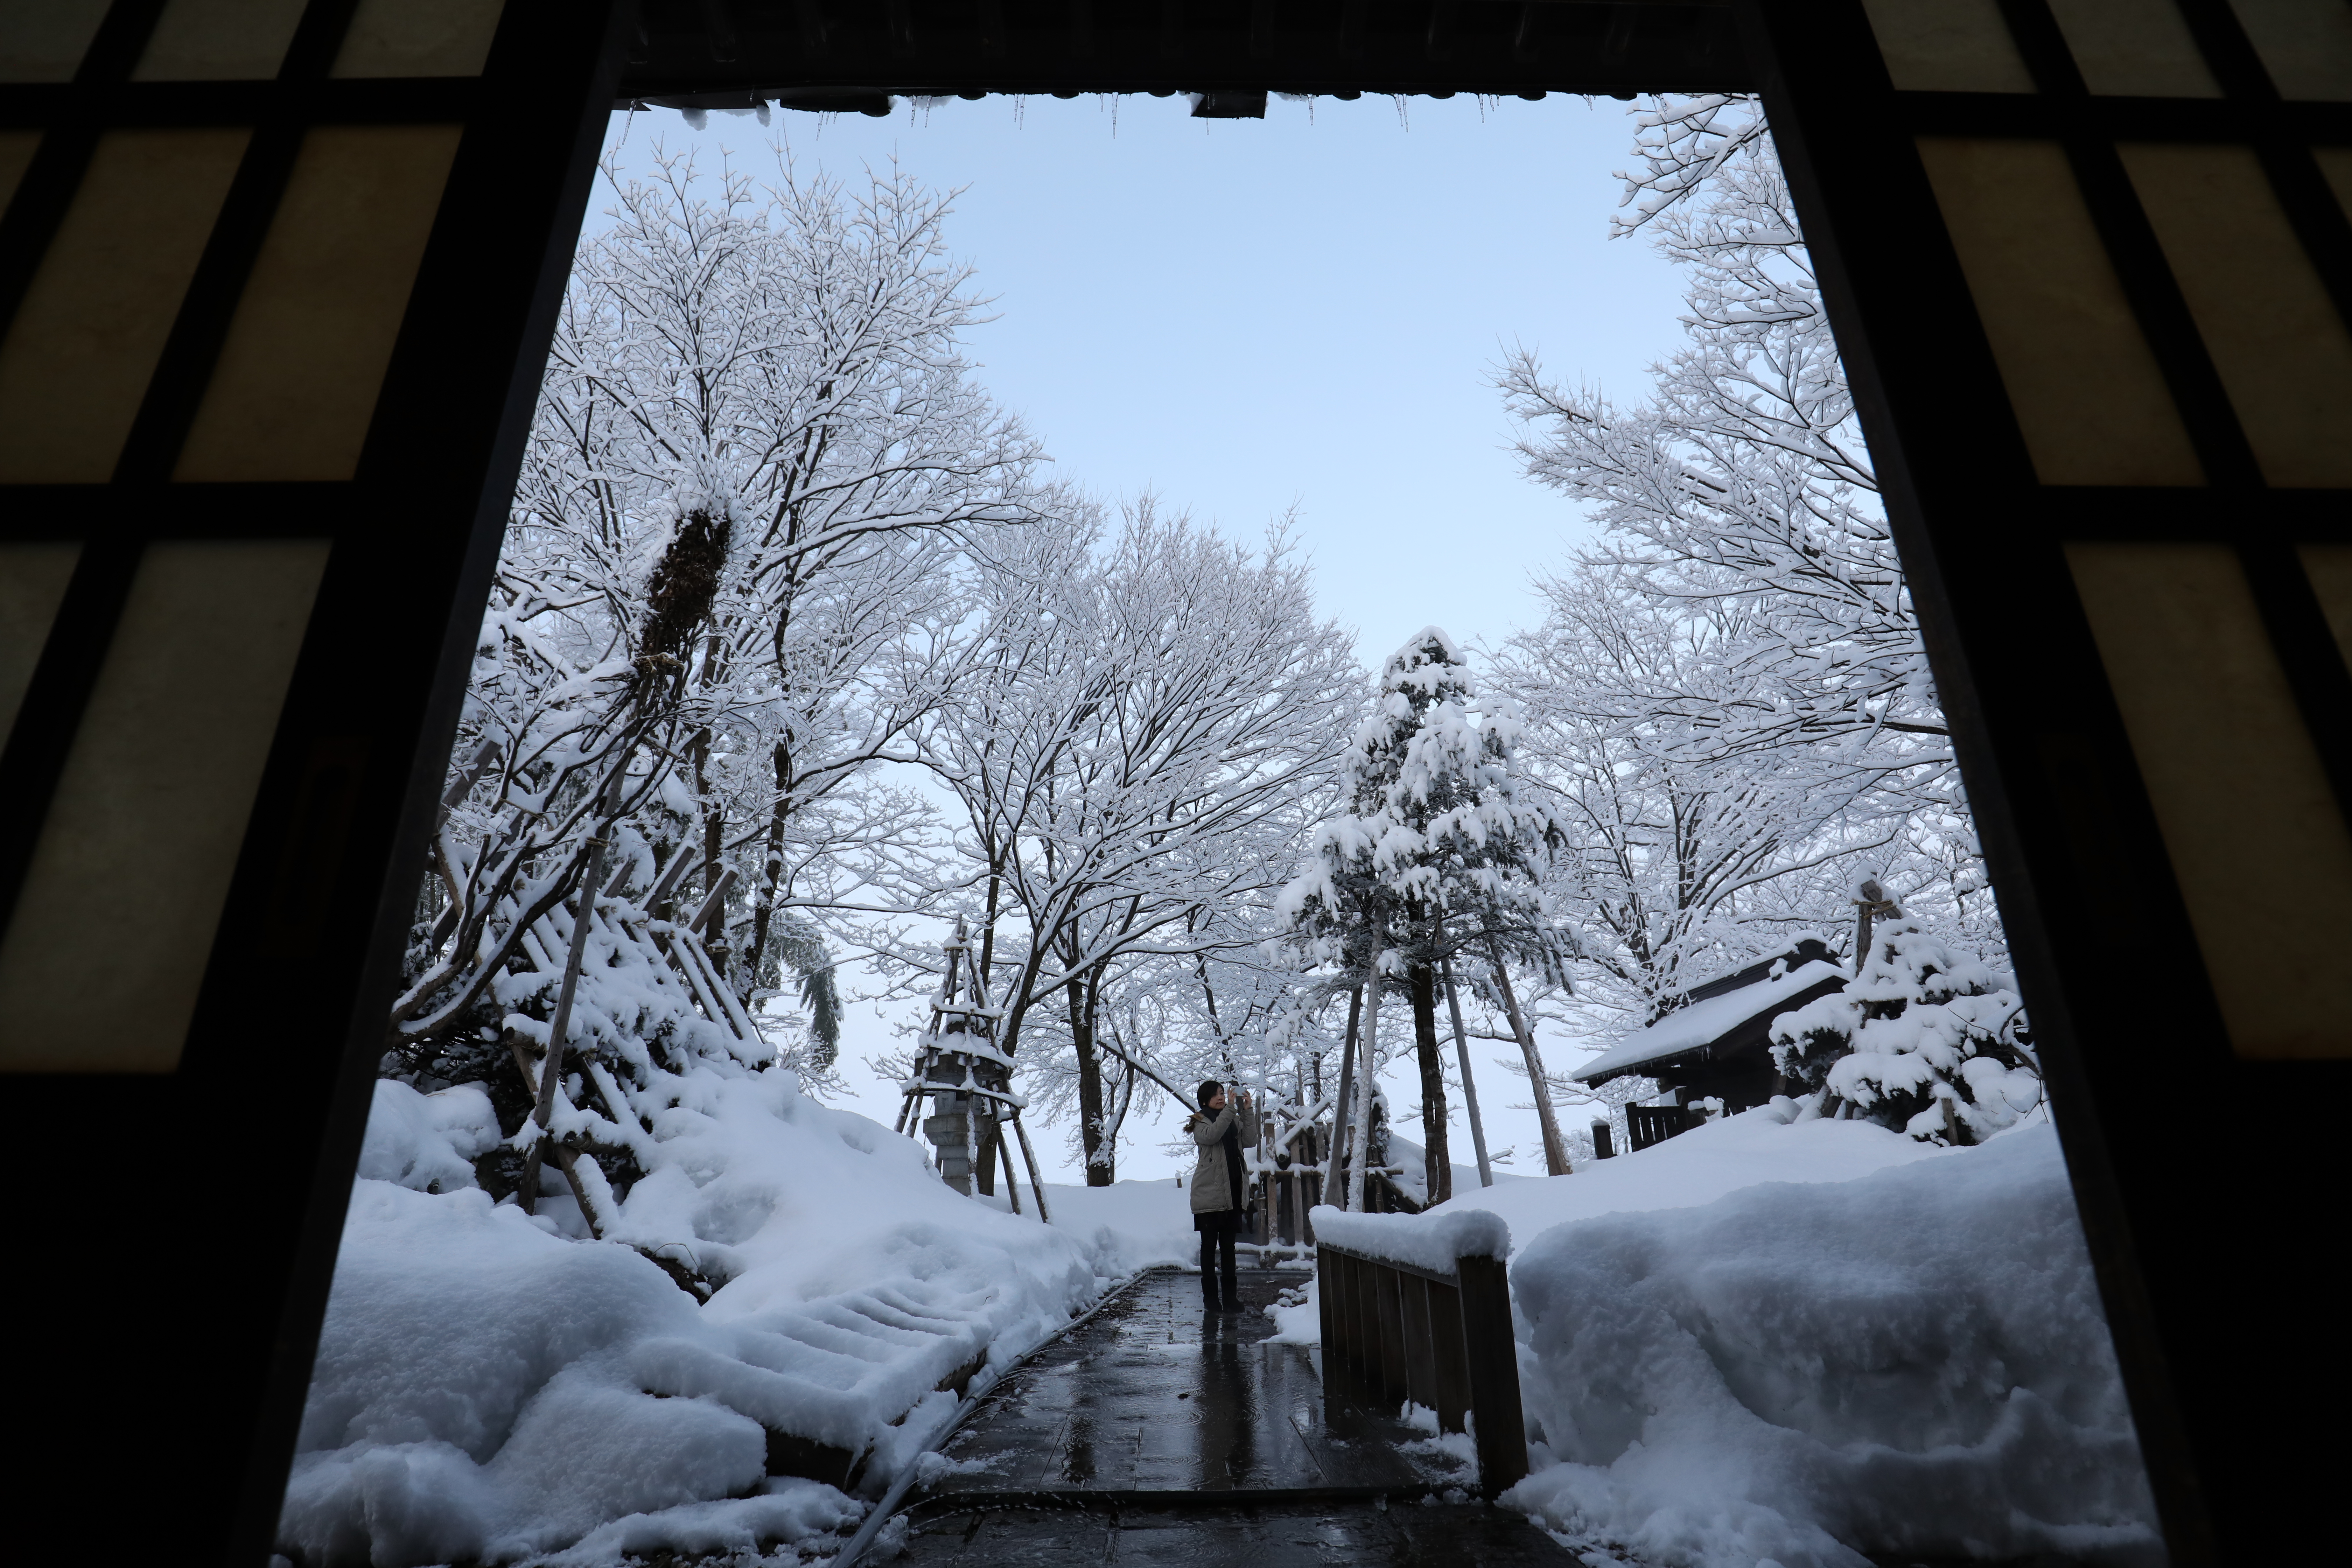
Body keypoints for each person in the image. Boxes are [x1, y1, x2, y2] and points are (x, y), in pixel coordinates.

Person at [1186, 1078, 1256, 1310]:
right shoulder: (1199, 1123)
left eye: (1223, 1094)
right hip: (1209, 1195)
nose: (1222, 1098)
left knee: (1228, 1247)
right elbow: (1213, 1135)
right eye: (1217, 1095)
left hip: (1233, 1193)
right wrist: (1230, 1110)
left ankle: (1230, 1298)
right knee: (1209, 1247)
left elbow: (1250, 1140)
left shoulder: (1232, 1118)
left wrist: (1247, 1112)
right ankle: (1211, 1299)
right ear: (1205, 1100)